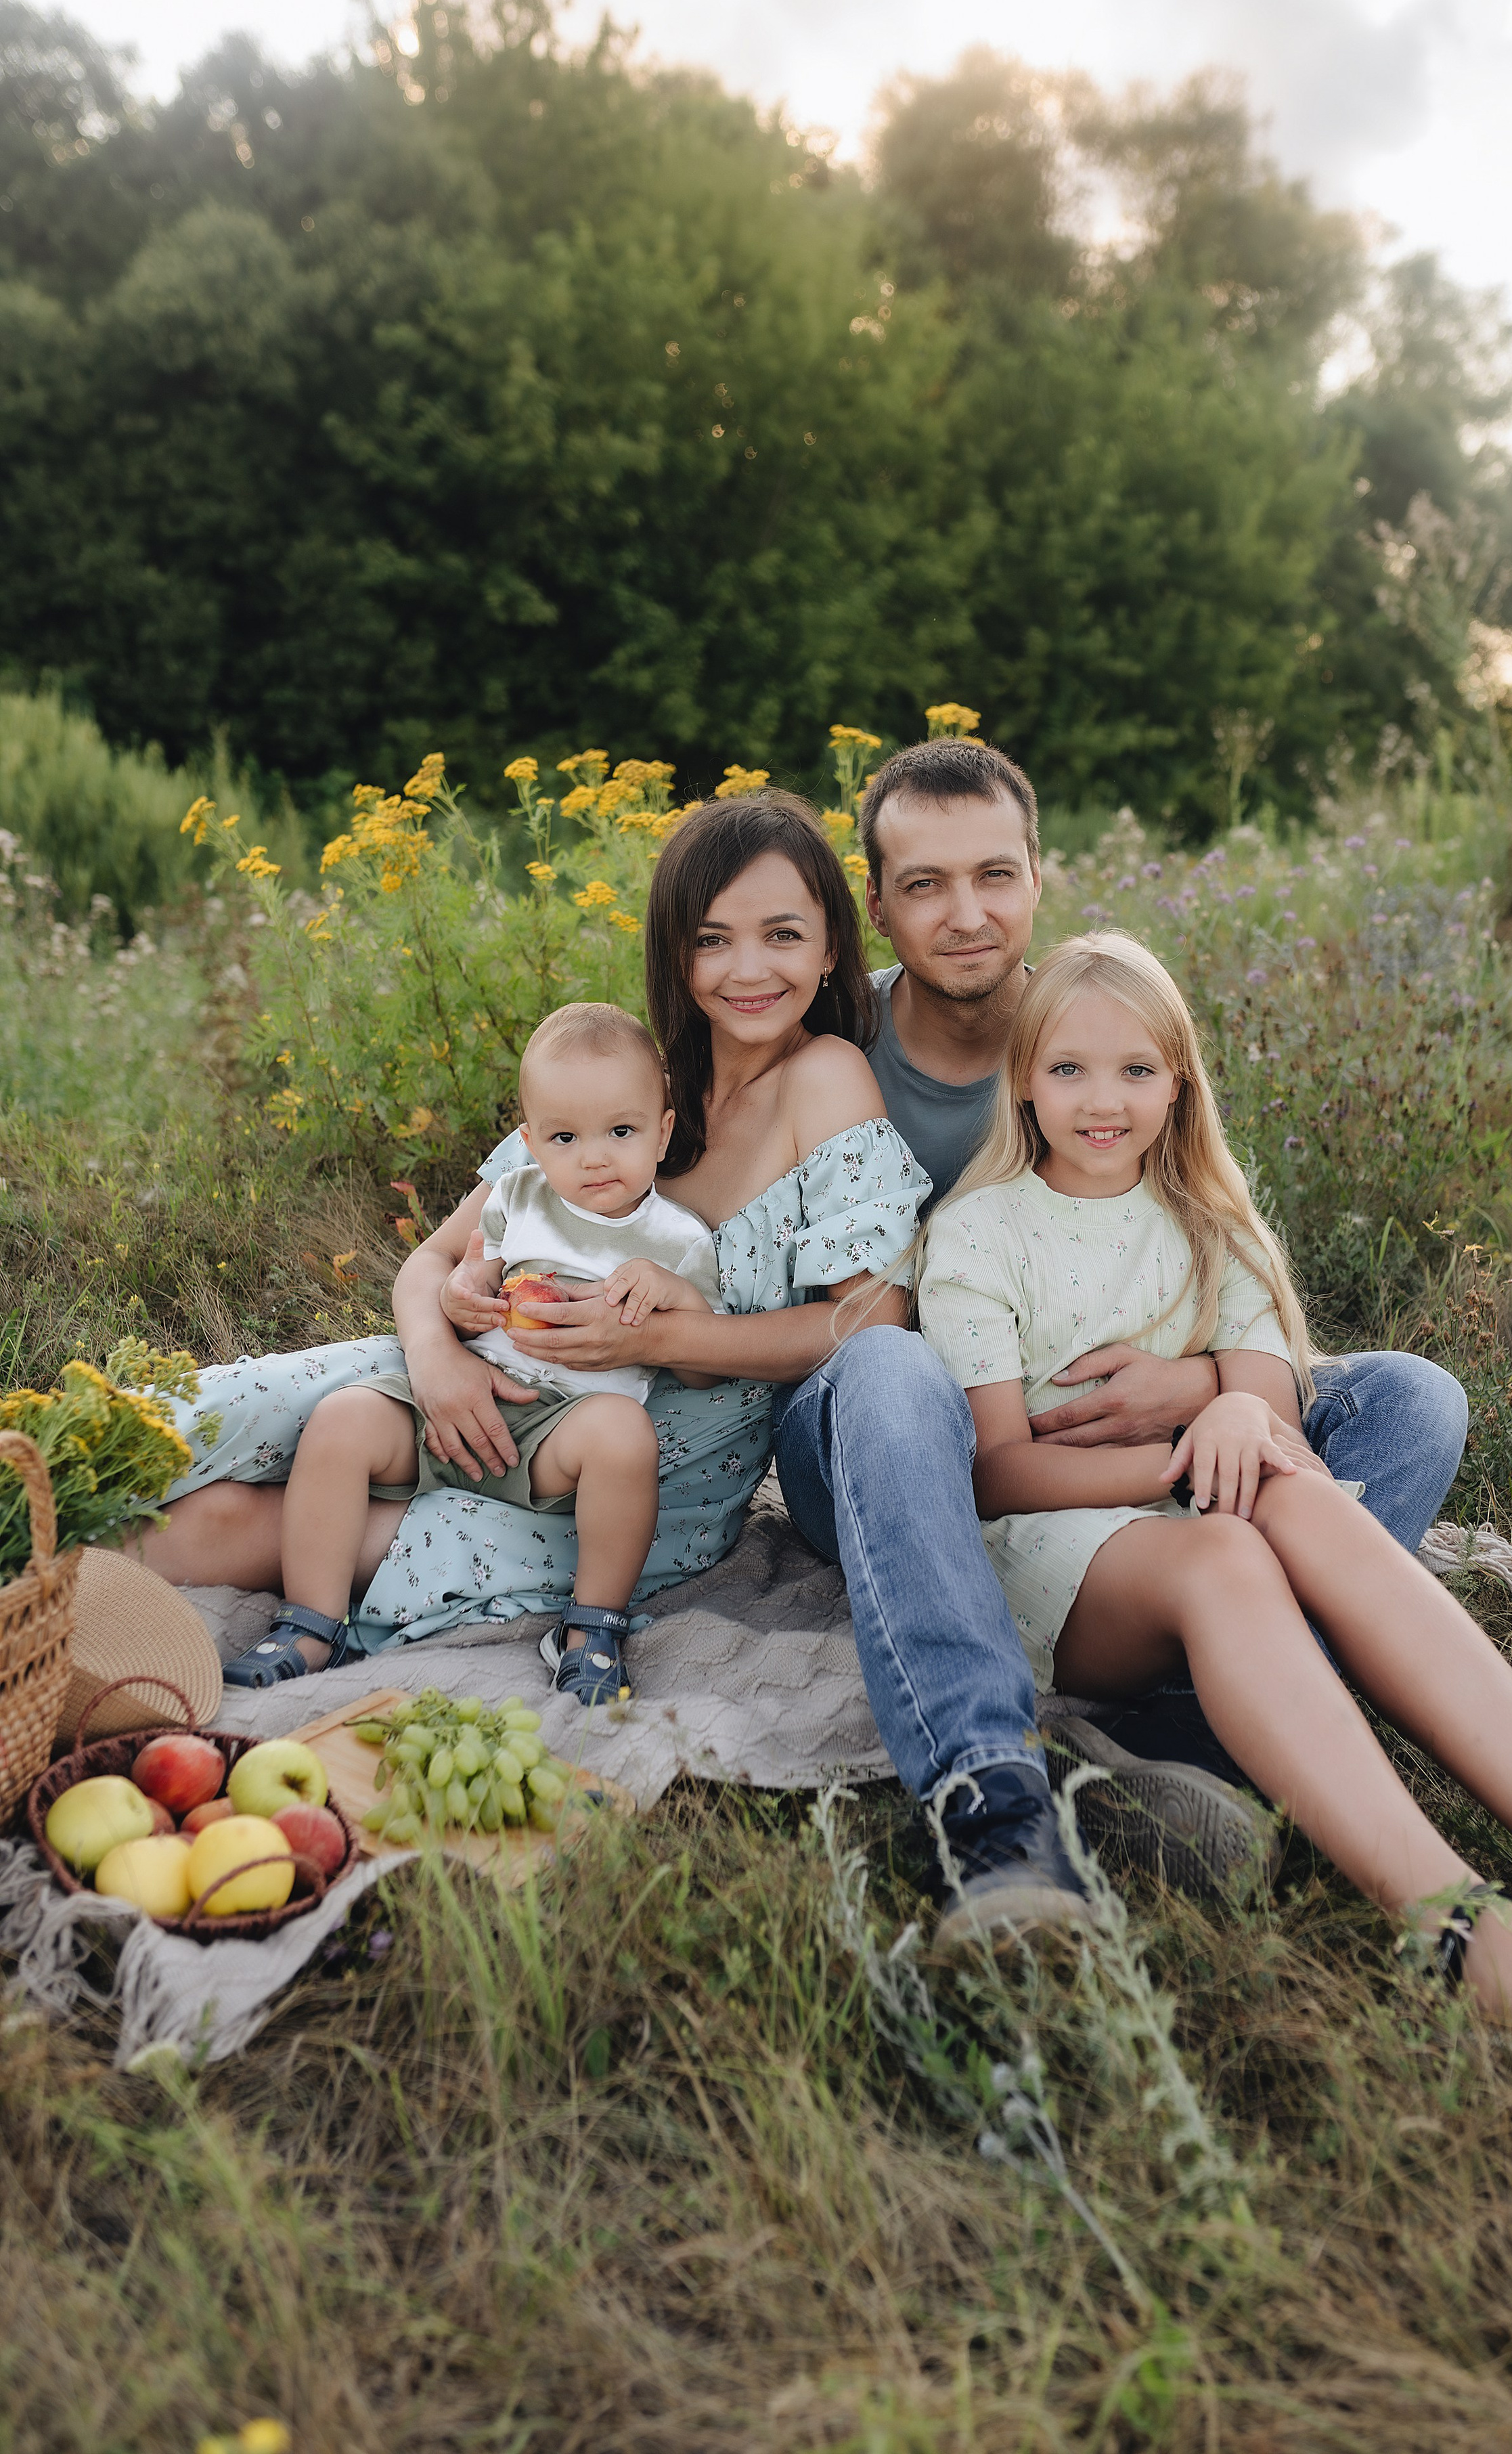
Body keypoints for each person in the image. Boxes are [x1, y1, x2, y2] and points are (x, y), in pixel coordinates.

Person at [148, 791, 1092, 1942]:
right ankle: (38, 1531)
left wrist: (663, 1338)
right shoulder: (627, 1069)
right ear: (674, 947)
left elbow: (870, 1317)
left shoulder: (825, 1078)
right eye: (712, 937)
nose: (749, 968)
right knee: (205, 1425)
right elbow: (433, 1260)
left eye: (783, 934)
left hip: (631, 1470)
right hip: (471, 1382)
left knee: (247, 1529)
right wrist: (439, 1345)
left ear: (834, 942)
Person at [917, 929, 1512, 2070]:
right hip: (1063, 1558)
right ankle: (1461, 1929)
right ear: (1024, 1081)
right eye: (1070, 1070)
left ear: (1181, 1081)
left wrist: (1238, 1415)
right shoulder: (981, 1229)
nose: (1104, 1100)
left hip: (1209, 1512)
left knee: (1288, 1493)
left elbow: (1267, 1400)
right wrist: (1189, 1459)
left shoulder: (1207, 1218)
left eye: (1138, 1070)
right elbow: (997, 1467)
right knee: (1235, 1544)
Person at [855, 734, 1469, 1870]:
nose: (967, 911)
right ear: (880, 903)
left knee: (1410, 1397)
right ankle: (1240, 1698)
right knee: (887, 1381)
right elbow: (605, 1132)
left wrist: (1213, 1396)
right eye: (924, 883)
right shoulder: (836, 1040)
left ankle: (1194, 1730)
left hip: (1146, 1397)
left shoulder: (1094, 1020)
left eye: (995, 873)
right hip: (921, 1426)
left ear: (1039, 873)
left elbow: (1195, 1241)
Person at [218, 1002, 721, 1697]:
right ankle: (310, 1623)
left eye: (622, 1130)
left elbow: (700, 1363)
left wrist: (671, 1297)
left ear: (662, 1132)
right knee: (341, 1419)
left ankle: (592, 1626)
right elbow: (473, 1270)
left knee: (626, 1437)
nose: (595, 1155)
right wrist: (463, 1295)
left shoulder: (677, 1239)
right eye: (565, 1136)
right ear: (530, 1142)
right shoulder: (518, 1197)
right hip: (469, 1387)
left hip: (558, 1432)